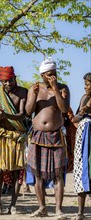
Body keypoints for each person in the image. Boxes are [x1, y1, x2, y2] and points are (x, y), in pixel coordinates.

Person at [25, 58, 70, 219]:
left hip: (56, 136)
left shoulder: (63, 88)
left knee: (58, 174)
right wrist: (34, 95)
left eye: (55, 74)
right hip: (38, 136)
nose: (53, 77)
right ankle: (42, 207)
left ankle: (58, 210)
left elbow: (64, 108)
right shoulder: (35, 88)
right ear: (43, 75)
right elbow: (28, 111)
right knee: (37, 174)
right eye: (49, 75)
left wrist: (56, 88)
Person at [0, 66, 28, 215]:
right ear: (0, 81)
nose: (8, 84)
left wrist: (7, 116)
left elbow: (22, 115)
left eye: (10, 80)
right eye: (4, 81)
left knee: (16, 171)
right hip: (2, 136)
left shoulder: (23, 92)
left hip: (17, 136)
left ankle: (13, 205)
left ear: (15, 78)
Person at [72, 72, 91, 220]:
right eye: (85, 84)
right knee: (81, 169)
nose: (85, 87)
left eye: (88, 84)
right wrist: (82, 112)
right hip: (83, 136)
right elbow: (76, 117)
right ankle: (80, 212)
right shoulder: (84, 98)